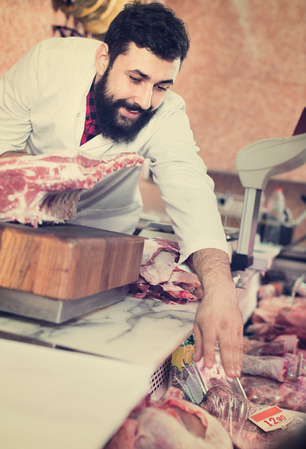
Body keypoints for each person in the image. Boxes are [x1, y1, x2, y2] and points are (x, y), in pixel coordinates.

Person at [0, 1, 243, 377]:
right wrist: (46, 177)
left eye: (161, 85)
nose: (145, 101)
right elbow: (2, 147)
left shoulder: (167, 113)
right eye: (136, 78)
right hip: (18, 222)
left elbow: (190, 188)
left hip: (104, 240)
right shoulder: (47, 63)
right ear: (103, 59)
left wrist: (220, 289)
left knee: (75, 364)